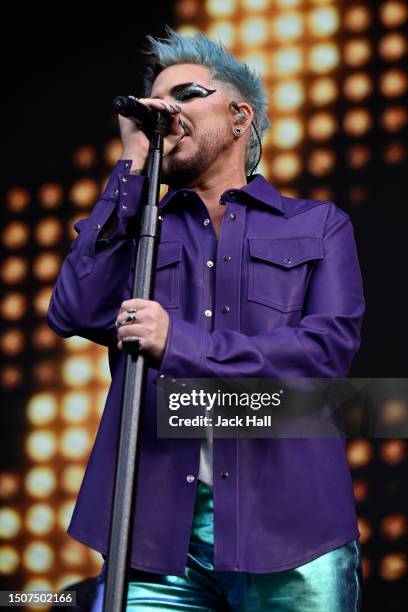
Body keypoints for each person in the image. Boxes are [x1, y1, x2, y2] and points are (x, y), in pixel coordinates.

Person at [48, 27, 365, 611]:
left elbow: (325, 355)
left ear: (240, 116)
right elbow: (73, 309)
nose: (166, 109)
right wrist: (133, 161)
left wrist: (181, 343)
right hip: (153, 541)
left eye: (187, 93)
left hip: (293, 536)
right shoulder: (142, 228)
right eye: (157, 100)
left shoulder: (318, 225)